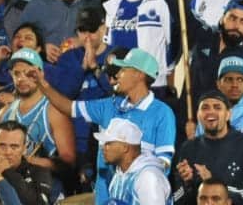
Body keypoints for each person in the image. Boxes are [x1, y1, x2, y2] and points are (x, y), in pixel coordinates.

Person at [33, 48, 176, 205]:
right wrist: (43, 85)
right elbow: (69, 107)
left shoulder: (162, 113)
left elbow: (164, 163)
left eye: (123, 70)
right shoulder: (109, 105)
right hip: (106, 196)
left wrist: (134, 168)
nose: (117, 75)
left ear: (139, 74)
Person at [173, 93, 243, 205]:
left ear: (228, 114)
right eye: (205, 108)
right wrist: (188, 184)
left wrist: (213, 184)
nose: (211, 112)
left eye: (217, 107)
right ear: (198, 115)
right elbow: (177, 199)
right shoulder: (188, 148)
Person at [0, 48, 75, 178]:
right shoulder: (4, 113)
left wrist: (27, 161)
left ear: (41, 74)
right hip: (11, 185)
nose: (21, 79)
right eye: (17, 74)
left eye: (28, 74)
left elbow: (68, 162)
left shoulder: (54, 111)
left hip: (46, 187)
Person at [103, 0, 172, 87]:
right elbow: (109, 45)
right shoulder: (112, 5)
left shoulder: (161, 2)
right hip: (119, 83)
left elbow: (173, 43)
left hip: (152, 84)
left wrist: (167, 73)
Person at [90, 119, 169, 205]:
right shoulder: (119, 175)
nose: (104, 148)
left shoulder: (148, 178)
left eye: (109, 143)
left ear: (125, 147)